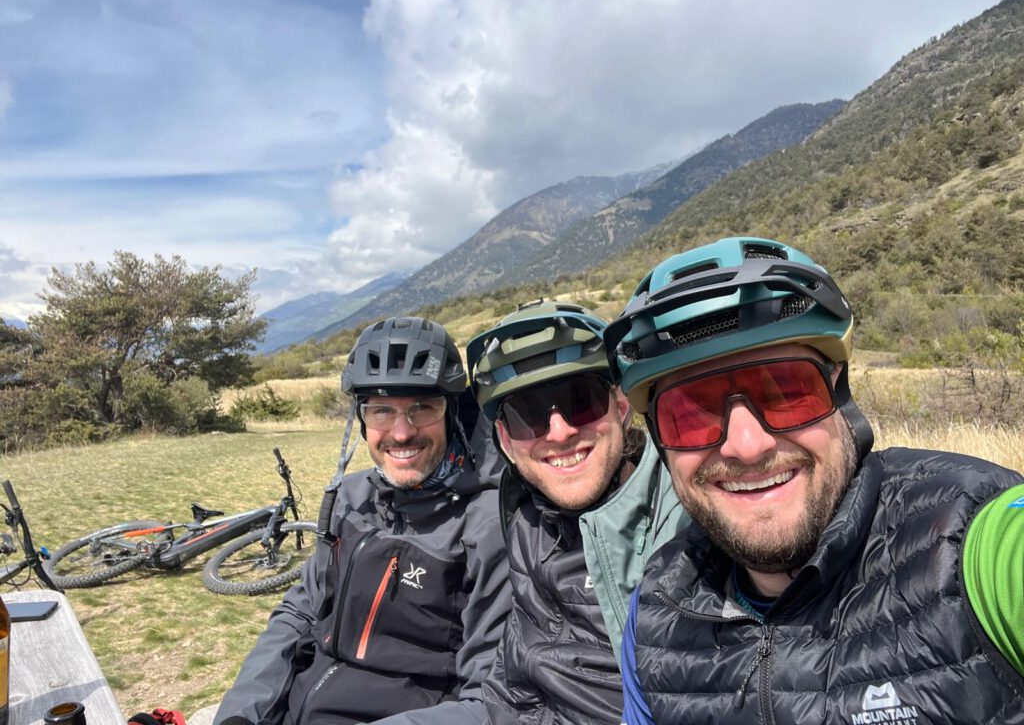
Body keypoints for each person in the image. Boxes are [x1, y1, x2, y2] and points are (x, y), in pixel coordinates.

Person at [606, 237, 1024, 724]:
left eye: (787, 392)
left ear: (841, 398)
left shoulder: (975, 541)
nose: (746, 445)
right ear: (661, 443)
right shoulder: (657, 611)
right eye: (691, 414)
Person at [373, 299, 688, 725]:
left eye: (581, 401)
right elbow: (504, 696)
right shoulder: (526, 514)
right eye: (529, 416)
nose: (560, 432)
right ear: (504, 439)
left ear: (621, 405)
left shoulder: (682, 524)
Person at [215, 317, 512, 725]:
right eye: (382, 411)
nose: (402, 432)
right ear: (361, 418)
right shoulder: (351, 499)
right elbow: (300, 611)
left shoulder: (486, 525)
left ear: (452, 412)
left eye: (422, 408)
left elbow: (489, 698)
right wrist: (241, 714)